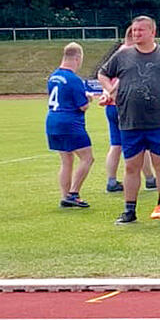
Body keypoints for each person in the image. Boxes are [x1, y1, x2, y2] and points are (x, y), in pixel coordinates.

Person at [98, 16, 160, 225]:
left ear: (152, 32)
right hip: (130, 120)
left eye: (141, 30)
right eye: (134, 30)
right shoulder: (123, 56)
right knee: (131, 167)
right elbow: (103, 73)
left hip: (159, 120)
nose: (136, 33)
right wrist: (110, 91)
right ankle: (129, 210)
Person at [96, 27, 156, 193]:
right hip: (126, 106)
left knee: (116, 144)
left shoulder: (116, 54)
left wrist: (106, 93)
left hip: (111, 106)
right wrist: (112, 92)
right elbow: (123, 78)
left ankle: (111, 180)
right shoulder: (132, 55)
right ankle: (150, 179)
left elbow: (105, 76)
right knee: (140, 144)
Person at [45, 42, 94, 209]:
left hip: (52, 120)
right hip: (69, 123)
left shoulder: (53, 77)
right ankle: (73, 193)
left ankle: (65, 196)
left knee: (67, 160)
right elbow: (82, 106)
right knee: (87, 158)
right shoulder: (74, 79)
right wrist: (88, 98)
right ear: (77, 58)